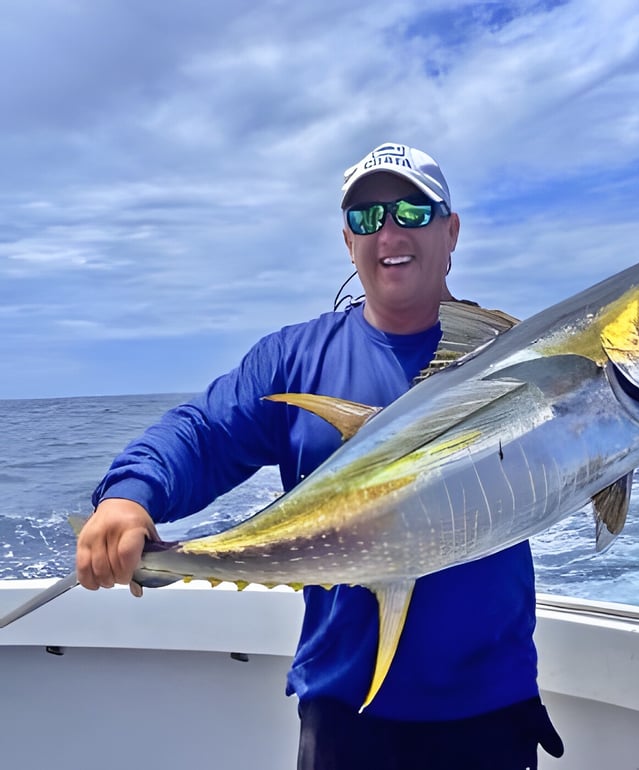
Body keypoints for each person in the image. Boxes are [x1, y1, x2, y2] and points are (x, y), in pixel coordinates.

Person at [76, 142, 564, 769]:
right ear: (347, 241)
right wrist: (129, 494)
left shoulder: (514, 361)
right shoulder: (296, 358)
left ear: (451, 231)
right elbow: (202, 432)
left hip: (489, 713)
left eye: (411, 211)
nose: (388, 230)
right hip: (342, 717)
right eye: (367, 217)